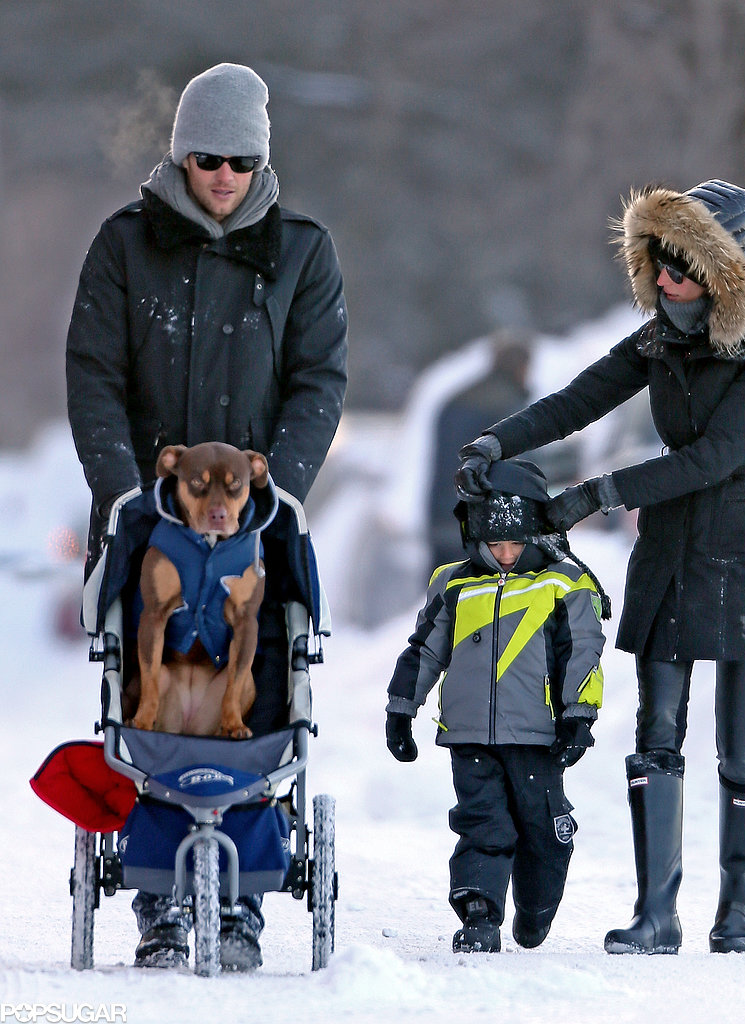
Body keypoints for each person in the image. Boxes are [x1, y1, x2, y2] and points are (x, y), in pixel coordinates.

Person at [455, 180, 745, 955]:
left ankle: (736, 910)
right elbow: (577, 400)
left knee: (740, 746)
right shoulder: (658, 338)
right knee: (657, 733)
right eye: (658, 260)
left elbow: (717, 456)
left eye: (683, 264)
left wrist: (594, 495)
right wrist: (495, 443)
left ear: (726, 271)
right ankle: (657, 915)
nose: (666, 277)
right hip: (675, 542)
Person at [65, 62, 348, 972]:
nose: (222, 174)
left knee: (254, 684)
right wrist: (120, 492)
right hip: (148, 514)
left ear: (261, 161)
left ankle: (243, 893)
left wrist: (282, 491)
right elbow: (94, 377)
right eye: (205, 157)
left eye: (239, 159)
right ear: (180, 155)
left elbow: (318, 380)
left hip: (255, 524)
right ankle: (157, 889)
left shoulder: (302, 250)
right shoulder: (123, 246)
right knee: (152, 689)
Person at [386, 458, 606, 952]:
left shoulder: (563, 585)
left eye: (515, 543)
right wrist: (402, 708)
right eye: (495, 543)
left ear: (536, 538)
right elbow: (424, 649)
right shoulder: (455, 583)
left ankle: (535, 908)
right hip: (469, 736)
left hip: (537, 736)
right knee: (482, 822)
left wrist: (578, 715)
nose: (505, 554)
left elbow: (583, 654)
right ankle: (480, 913)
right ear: (476, 537)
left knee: (541, 832)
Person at [426, 330, 532, 568]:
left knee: (443, 596)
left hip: (441, 522)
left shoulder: (455, 399)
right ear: (522, 367)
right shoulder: (510, 407)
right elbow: (522, 473)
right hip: (483, 531)